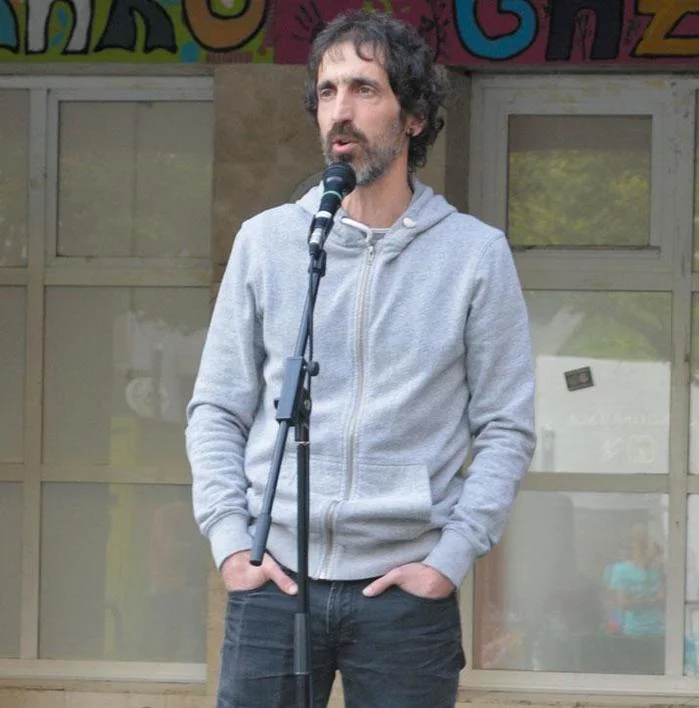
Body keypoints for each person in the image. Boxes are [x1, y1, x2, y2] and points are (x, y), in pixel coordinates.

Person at [186, 9, 536, 707]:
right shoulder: (267, 242)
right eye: (328, 90)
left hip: (405, 593)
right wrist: (230, 543)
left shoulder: (474, 255)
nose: (340, 111)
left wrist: (450, 558)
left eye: (364, 89)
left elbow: (507, 426)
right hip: (273, 578)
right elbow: (217, 409)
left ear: (414, 117)